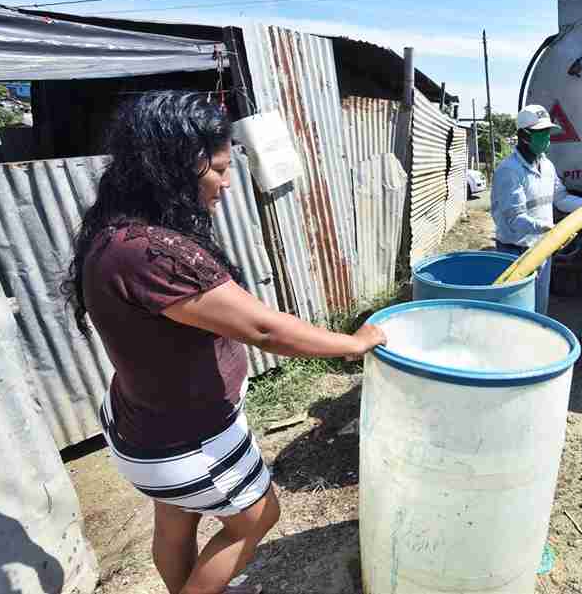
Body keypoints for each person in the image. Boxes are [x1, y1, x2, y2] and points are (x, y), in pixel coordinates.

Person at [65, 91, 386, 594]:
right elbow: (264, 329)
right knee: (257, 517)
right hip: (186, 441)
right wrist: (352, 342)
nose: (227, 182)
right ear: (173, 169)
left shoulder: (118, 234)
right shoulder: (150, 252)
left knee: (175, 523)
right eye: (216, 169)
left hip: (147, 427)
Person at [491, 104, 582, 315]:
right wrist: (551, 230)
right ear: (524, 135)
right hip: (514, 253)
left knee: (539, 308)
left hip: (543, 249)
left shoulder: (547, 166)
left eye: (548, 133)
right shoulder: (509, 171)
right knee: (517, 313)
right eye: (541, 133)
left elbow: (560, 198)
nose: (547, 138)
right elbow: (515, 219)